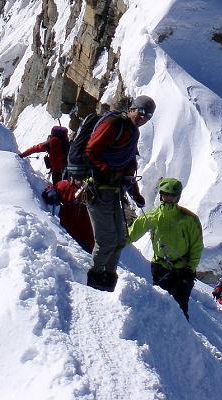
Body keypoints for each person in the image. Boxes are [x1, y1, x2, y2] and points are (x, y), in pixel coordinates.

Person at [83, 96, 153, 292]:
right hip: (97, 188)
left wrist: (135, 193)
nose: (143, 117)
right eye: (140, 111)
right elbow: (90, 151)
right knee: (106, 239)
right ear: (131, 109)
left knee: (121, 238)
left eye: (148, 115)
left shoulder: (133, 132)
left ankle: (109, 276)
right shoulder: (114, 125)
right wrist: (106, 170)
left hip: (114, 191)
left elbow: (129, 165)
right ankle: (95, 277)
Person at [128, 177, 204, 319]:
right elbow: (132, 234)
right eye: (165, 194)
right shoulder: (153, 216)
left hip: (183, 270)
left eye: (172, 195)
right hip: (160, 267)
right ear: (161, 195)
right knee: (161, 306)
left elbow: (197, 246)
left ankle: (180, 336)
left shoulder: (189, 220)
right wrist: (112, 243)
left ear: (178, 197)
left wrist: (190, 269)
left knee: (180, 309)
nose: (168, 198)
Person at [55, 179, 94, 253]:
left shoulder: (63, 185)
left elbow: (49, 192)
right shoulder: (95, 191)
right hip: (85, 241)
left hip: (67, 235)